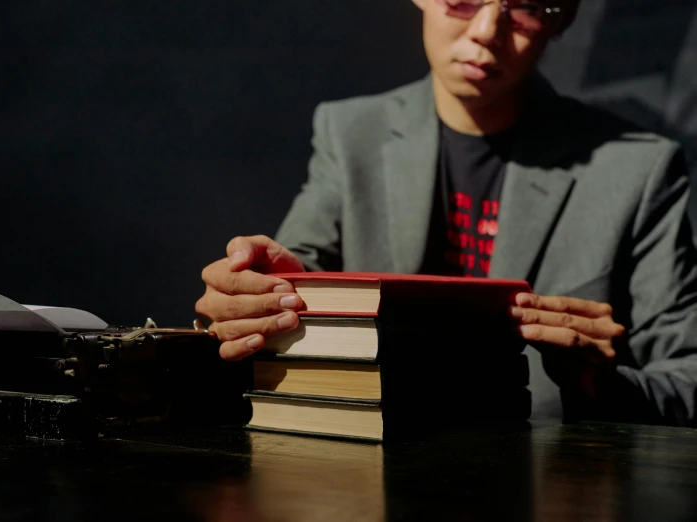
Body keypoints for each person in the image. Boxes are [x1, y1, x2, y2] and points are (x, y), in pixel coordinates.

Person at [195, 0, 697, 426]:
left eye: (525, 6)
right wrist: (261, 297)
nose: (486, 32)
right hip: (366, 469)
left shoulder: (638, 169)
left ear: (561, 20)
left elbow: (687, 378)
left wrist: (601, 388)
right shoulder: (352, 134)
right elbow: (293, 273)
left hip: (547, 476)